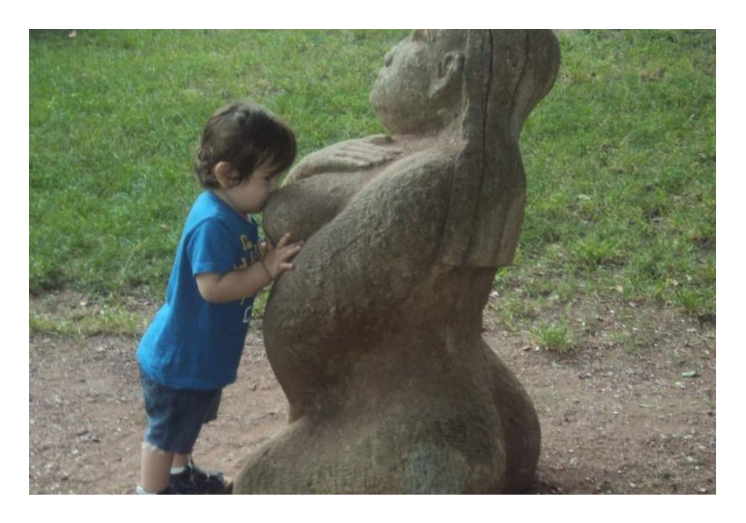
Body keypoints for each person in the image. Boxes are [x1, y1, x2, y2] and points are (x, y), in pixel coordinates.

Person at [135, 101, 303, 494]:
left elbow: (235, 259)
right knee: (165, 435)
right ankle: (152, 494)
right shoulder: (212, 222)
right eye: (268, 179)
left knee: (186, 426)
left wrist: (261, 255)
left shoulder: (233, 212)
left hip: (202, 357)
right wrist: (264, 271)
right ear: (227, 175)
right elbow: (212, 287)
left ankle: (180, 477)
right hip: (179, 361)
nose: (273, 188)